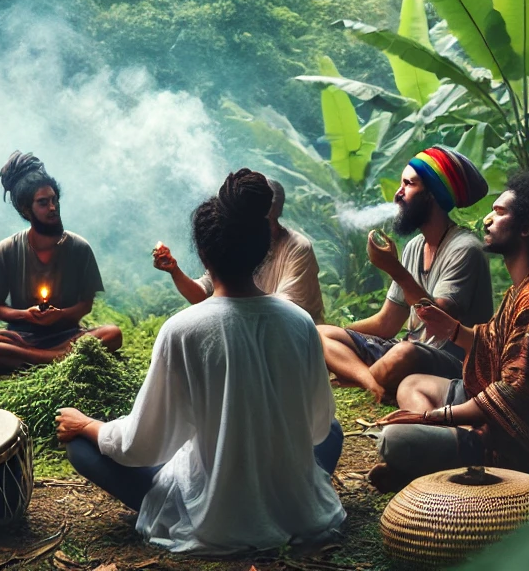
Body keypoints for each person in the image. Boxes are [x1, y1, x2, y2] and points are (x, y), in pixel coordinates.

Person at [56, 169, 345, 555]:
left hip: (216, 514)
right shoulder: (300, 323)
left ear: (205, 254)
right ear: (261, 250)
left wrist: (88, 425)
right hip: (296, 506)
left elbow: (141, 445)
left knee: (82, 448)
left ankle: (214, 509)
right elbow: (315, 428)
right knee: (335, 430)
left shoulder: (182, 330)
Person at [374, 172, 529, 491]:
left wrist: (433, 418)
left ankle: (459, 452)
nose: (486, 219)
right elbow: (492, 344)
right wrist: (451, 329)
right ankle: (448, 447)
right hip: (494, 416)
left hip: (523, 443)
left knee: (394, 439)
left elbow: (515, 395)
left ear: (525, 228)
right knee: (412, 384)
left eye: (499, 212)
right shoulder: (523, 289)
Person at [318, 146, 493, 401]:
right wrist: (342, 336)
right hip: (404, 349)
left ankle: (362, 379)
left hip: (451, 362)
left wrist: (394, 269)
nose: (398, 194)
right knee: (319, 333)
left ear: (432, 194)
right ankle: (373, 381)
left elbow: (438, 322)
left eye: (408, 184)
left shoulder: (465, 249)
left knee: (404, 353)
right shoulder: (414, 247)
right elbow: (387, 324)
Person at [0, 153, 122, 370]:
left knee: (112, 334)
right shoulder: (7, 249)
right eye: (43, 203)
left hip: (67, 336)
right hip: (20, 337)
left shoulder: (79, 248)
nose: (52, 207)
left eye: (54, 200)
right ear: (27, 209)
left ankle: (33, 359)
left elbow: (85, 305)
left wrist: (60, 315)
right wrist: (26, 315)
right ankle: (53, 359)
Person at [153, 179, 325, 322]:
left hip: (294, 341)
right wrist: (175, 271)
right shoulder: (242, 242)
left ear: (275, 213)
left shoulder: (297, 247)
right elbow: (203, 294)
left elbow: (288, 311)